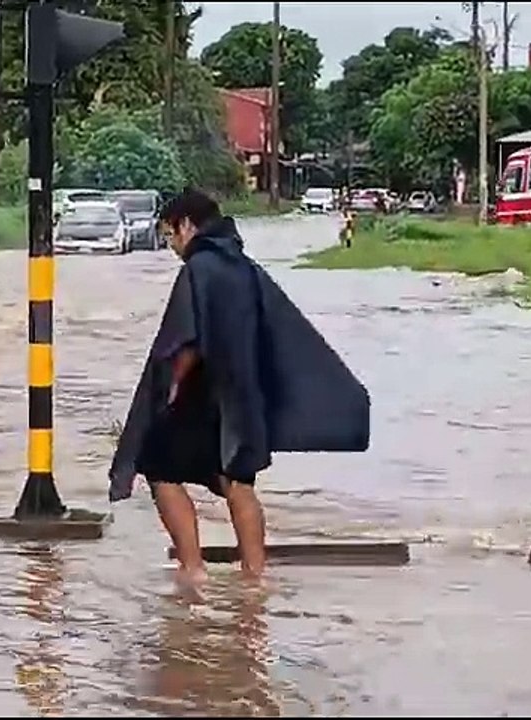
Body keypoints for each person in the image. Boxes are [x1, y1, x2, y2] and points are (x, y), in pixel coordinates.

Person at [108, 188, 370, 587]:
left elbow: (186, 341)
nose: (172, 245)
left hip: (202, 393)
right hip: (243, 394)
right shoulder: (245, 268)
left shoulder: (198, 269)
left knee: (157, 466)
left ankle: (192, 570)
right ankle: (254, 577)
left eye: (170, 235)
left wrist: (169, 391)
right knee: (238, 482)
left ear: (187, 225)